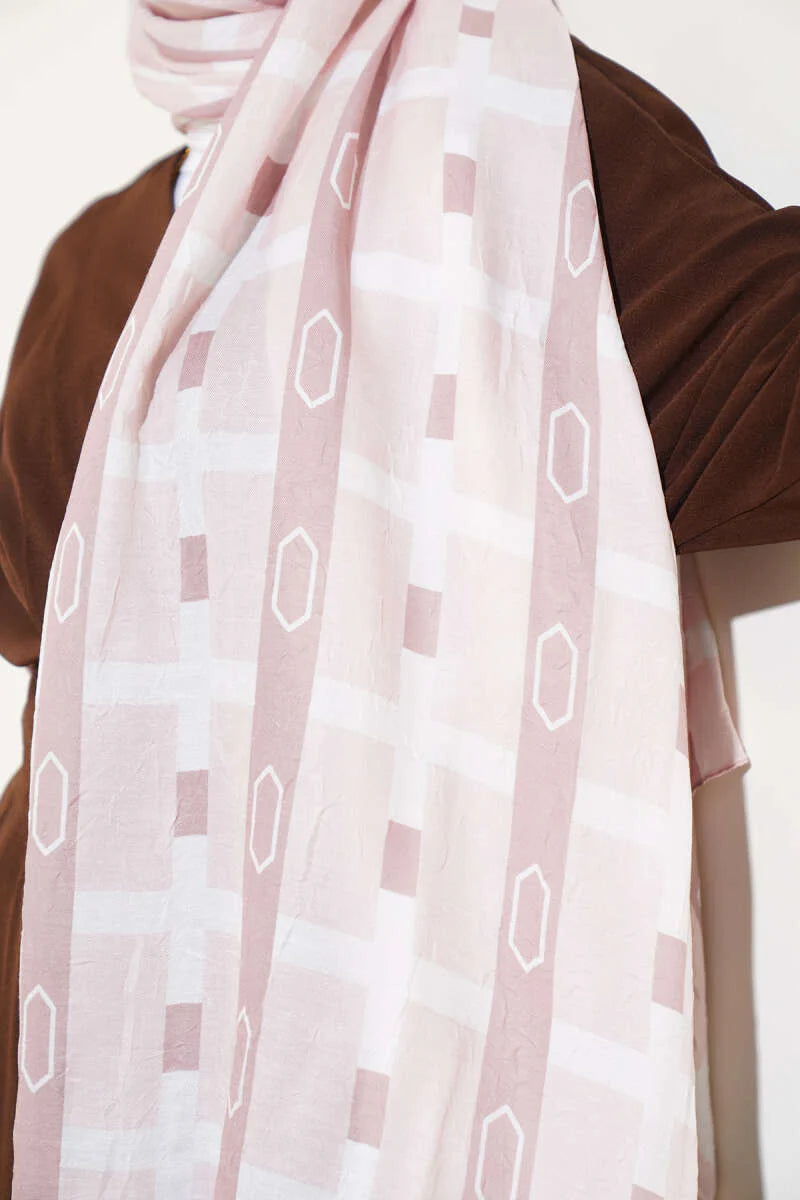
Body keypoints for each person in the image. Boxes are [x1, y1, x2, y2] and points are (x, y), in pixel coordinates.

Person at [1, 7, 798, 1197]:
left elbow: (764, 384)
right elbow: (34, 618)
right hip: (109, 1041)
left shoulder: (512, 118)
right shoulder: (97, 258)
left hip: (422, 1040)